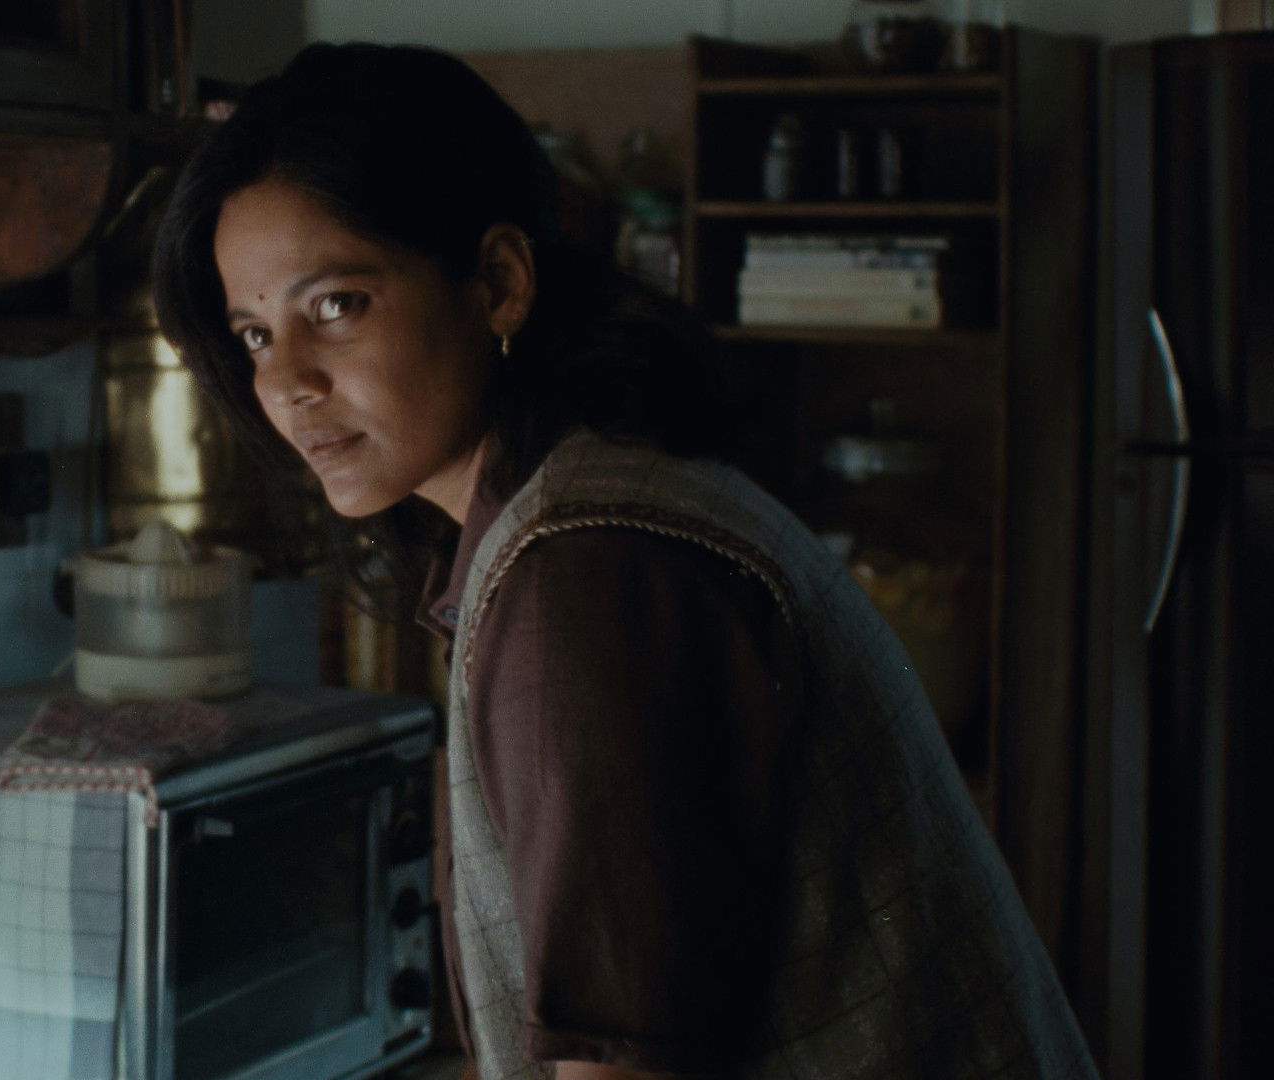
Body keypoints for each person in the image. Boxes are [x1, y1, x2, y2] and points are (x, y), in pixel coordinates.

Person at [152, 42, 1100, 1080]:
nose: (286, 382)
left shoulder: (586, 574)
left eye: (336, 305)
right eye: (254, 334)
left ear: (498, 283)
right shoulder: (585, 508)